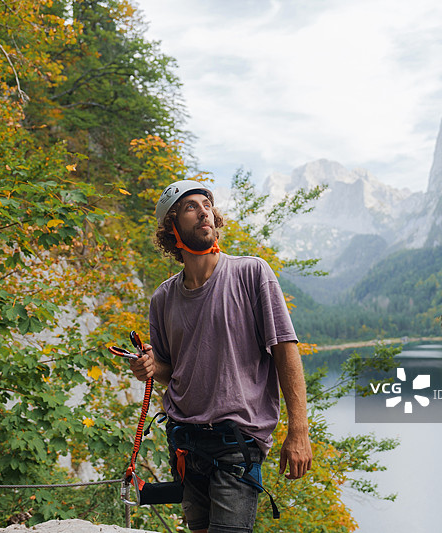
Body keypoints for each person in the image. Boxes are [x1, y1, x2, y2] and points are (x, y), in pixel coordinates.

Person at [129, 179, 313, 533]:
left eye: (206, 204)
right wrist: (153, 367)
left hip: (236, 445)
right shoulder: (163, 299)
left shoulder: (251, 273)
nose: (203, 211)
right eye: (190, 207)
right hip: (185, 443)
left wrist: (298, 431)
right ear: (172, 228)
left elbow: (286, 351)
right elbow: (172, 372)